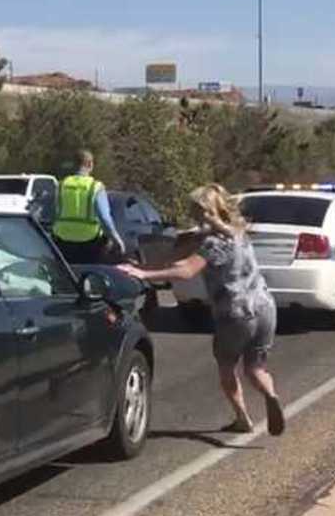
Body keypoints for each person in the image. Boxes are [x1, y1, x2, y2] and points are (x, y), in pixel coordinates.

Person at [117, 184, 285, 436]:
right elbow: (179, 254)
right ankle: (271, 394)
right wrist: (148, 263)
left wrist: (144, 274)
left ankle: (243, 418)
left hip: (235, 312)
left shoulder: (215, 244)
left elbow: (186, 270)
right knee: (255, 368)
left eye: (195, 211)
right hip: (264, 307)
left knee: (226, 365)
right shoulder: (239, 232)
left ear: (205, 211)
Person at [52, 150, 127, 264]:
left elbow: (52, 211)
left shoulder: (61, 185)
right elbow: (105, 218)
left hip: (62, 240)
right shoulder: (95, 187)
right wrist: (116, 239)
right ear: (90, 164)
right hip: (90, 241)